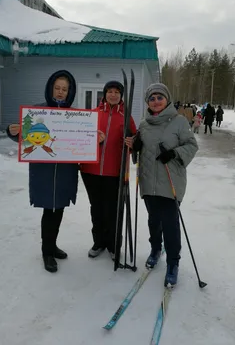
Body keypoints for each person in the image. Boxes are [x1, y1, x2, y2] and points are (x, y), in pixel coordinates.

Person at [126, 83, 198, 287]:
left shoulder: (179, 121)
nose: (156, 101)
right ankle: (155, 249)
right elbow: (139, 151)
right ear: (148, 102)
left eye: (159, 97)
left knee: (170, 225)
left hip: (170, 182)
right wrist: (135, 147)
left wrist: (174, 153)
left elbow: (192, 145)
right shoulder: (144, 124)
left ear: (166, 99)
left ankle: (173, 263)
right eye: (152, 98)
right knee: (153, 220)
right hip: (148, 182)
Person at [7, 70, 79, 273]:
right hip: (44, 171)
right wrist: (13, 131)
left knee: (59, 210)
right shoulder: (37, 112)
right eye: (57, 88)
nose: (60, 92)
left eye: (64, 89)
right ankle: (47, 251)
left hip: (65, 171)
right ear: (50, 88)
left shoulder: (75, 115)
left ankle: (53, 245)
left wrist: (94, 138)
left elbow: (82, 141)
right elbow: (24, 137)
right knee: (49, 209)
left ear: (69, 92)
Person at [80, 81, 136, 261]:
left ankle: (113, 245)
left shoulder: (126, 116)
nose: (113, 95)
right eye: (110, 91)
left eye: (117, 92)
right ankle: (99, 242)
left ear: (121, 96)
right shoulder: (93, 115)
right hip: (91, 171)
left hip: (115, 172)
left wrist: (133, 142)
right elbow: (81, 139)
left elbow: (135, 141)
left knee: (113, 210)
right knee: (96, 209)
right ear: (104, 94)